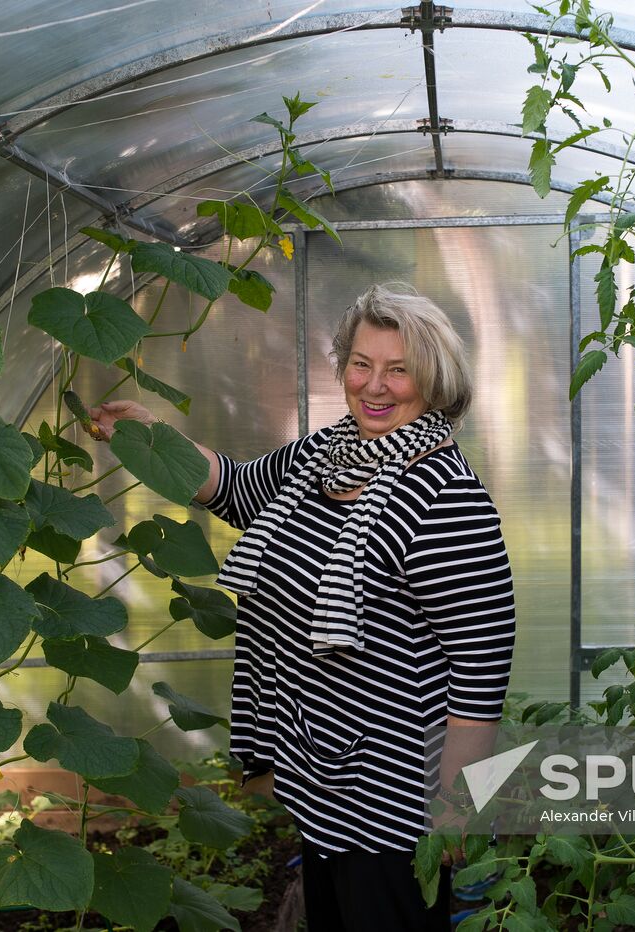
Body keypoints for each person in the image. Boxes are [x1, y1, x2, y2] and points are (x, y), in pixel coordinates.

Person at [90, 282, 516, 931]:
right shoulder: (326, 458)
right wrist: (153, 437)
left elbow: (481, 672)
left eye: (398, 370)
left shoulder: (446, 499)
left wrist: (455, 813)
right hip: (324, 778)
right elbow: (232, 488)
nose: (375, 386)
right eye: (362, 364)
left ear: (434, 381)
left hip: (396, 802)